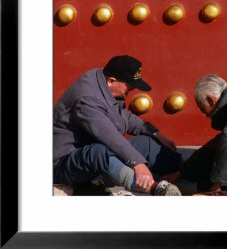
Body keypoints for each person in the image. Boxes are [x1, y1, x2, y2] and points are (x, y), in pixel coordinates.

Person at [53, 55, 183, 195]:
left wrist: (155, 133)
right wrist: (138, 164)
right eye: (128, 88)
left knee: (147, 143)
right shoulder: (87, 100)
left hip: (95, 150)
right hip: (65, 163)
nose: (129, 93)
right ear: (111, 81)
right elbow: (109, 136)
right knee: (99, 153)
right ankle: (153, 187)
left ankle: (188, 169)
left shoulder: (104, 82)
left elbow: (124, 116)